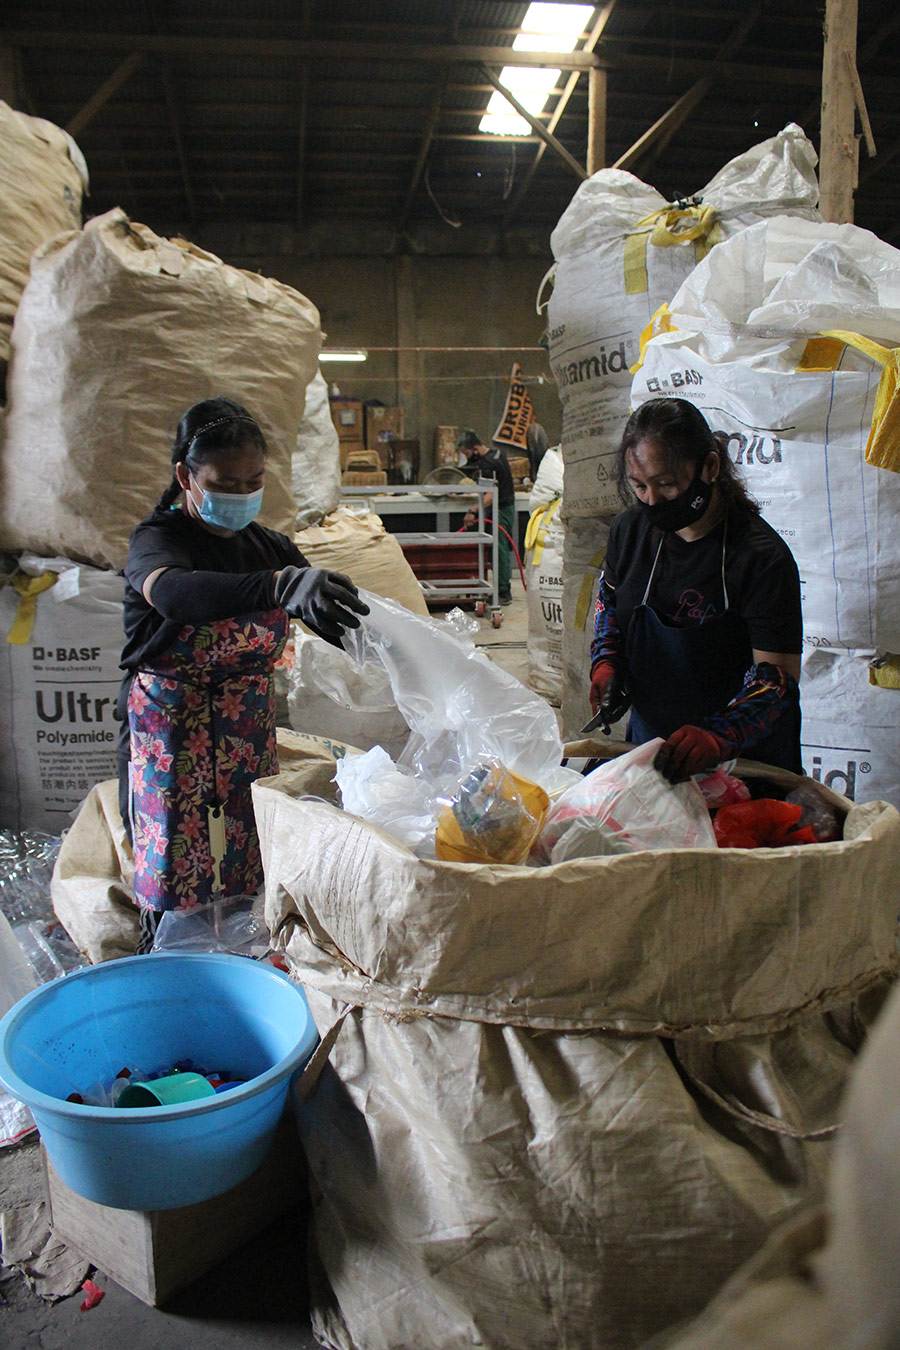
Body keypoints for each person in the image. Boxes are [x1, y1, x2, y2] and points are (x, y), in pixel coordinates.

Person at [118, 395, 369, 951]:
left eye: (253, 480)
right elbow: (177, 595)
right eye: (226, 482)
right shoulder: (158, 542)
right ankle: (170, 966)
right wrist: (275, 586)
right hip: (172, 736)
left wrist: (392, 645)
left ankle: (247, 966)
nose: (242, 494)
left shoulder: (271, 547)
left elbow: (329, 614)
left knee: (247, 866)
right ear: (186, 475)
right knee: (175, 876)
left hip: (245, 738)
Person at [589, 397, 802, 783]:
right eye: (639, 486)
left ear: (710, 467)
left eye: (667, 485)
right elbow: (609, 604)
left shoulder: (760, 558)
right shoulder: (628, 532)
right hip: (654, 756)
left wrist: (719, 736)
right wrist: (606, 662)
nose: (652, 501)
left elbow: (778, 682)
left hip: (743, 769)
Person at [458, 429, 515, 605]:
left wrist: (472, 510)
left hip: (501, 510)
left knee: (500, 550)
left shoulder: (487, 464)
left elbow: (489, 497)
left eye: (467, 453)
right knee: (499, 549)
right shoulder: (498, 453)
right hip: (507, 506)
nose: (467, 458)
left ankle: (504, 592)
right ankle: (500, 588)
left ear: (475, 448)